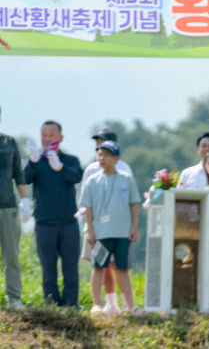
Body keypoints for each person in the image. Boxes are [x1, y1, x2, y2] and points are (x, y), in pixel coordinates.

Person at [23, 120, 83, 306]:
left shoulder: (70, 160)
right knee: (48, 271)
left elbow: (77, 176)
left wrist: (60, 167)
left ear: (61, 137)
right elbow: (24, 179)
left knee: (70, 269)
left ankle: (71, 306)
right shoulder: (36, 161)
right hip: (44, 223)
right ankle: (52, 307)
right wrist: (32, 163)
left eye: (51, 135)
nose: (47, 138)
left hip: (68, 223)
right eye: (44, 135)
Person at [80, 141, 141, 315]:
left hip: (123, 232)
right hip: (101, 233)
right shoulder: (92, 181)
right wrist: (90, 231)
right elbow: (88, 208)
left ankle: (130, 305)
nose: (102, 158)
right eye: (100, 154)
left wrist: (134, 227)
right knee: (99, 267)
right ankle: (96, 304)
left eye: (106, 155)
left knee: (122, 269)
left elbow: (134, 204)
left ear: (116, 158)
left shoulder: (126, 179)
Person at [0, 106, 31, 309]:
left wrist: (25, 200)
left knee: (11, 254)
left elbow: (18, 173)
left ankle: (14, 298)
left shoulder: (9, 142)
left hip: (7, 205)